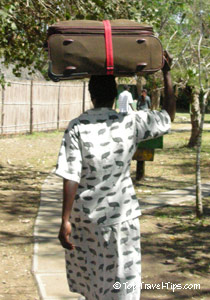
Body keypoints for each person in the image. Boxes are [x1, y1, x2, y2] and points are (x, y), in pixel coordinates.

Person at [55, 53, 175, 300]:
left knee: (93, 284)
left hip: (84, 220)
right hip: (120, 218)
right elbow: (168, 116)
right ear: (114, 95)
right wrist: (166, 73)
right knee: (121, 286)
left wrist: (65, 220)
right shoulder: (130, 121)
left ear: (91, 94)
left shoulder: (77, 126)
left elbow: (71, 175)